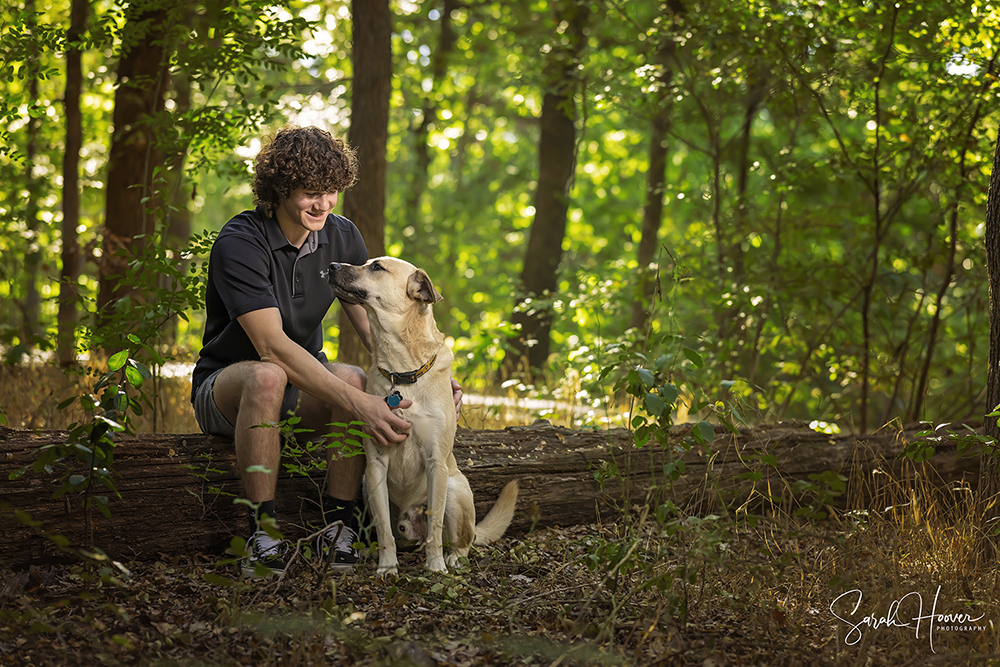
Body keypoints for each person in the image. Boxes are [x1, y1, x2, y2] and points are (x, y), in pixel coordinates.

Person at [190, 126, 462, 576]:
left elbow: (379, 333)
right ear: (279, 189)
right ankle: (264, 535)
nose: (323, 204)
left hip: (302, 385)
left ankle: (340, 529)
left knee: (355, 377)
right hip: (227, 389)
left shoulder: (341, 237)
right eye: (311, 193)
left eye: (332, 191)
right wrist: (361, 404)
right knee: (269, 376)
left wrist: (427, 375)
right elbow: (271, 347)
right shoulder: (240, 243)